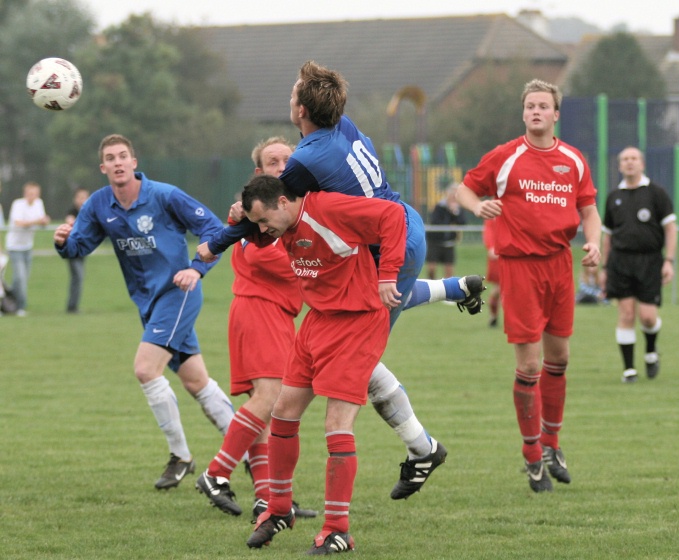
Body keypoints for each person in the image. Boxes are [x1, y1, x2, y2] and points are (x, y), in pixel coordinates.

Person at [198, 60, 485, 501]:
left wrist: (216, 242)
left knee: (357, 359)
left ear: (300, 110)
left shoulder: (306, 160)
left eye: (294, 95)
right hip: (401, 228)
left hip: (388, 242)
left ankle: (421, 449)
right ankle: (454, 289)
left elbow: (271, 209)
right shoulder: (342, 126)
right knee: (360, 340)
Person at [53, 134, 236, 490]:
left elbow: (215, 229)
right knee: (196, 381)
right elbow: (80, 246)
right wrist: (63, 242)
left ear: (134, 162)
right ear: (102, 167)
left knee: (144, 368)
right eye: (110, 158)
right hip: (149, 305)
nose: (118, 162)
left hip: (178, 293)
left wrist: (197, 267)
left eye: (123, 156)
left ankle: (181, 455)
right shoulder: (99, 204)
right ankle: (247, 454)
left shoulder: (164, 195)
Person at [241, 174, 407, 553]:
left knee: (336, 424)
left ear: (283, 202)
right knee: (283, 412)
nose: (264, 231)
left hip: (357, 321)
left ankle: (337, 529)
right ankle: (280, 508)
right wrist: (241, 221)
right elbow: (253, 235)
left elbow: (393, 216)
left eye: (264, 220)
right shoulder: (281, 224)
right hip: (318, 320)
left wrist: (389, 274)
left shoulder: (327, 208)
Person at [456, 78, 601, 493]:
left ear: (556, 114)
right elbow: (465, 188)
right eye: (530, 106)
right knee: (530, 366)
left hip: (559, 265)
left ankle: (553, 444)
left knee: (560, 359)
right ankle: (532, 453)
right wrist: (477, 204)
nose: (536, 111)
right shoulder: (506, 156)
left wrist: (593, 242)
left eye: (544, 106)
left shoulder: (573, 159)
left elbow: (588, 209)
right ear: (523, 113)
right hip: (519, 267)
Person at [195, 137, 317, 520]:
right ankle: (216, 473)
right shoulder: (253, 218)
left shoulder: (292, 209)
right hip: (259, 310)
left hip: (272, 313)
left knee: (265, 413)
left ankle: (269, 499)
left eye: (287, 159)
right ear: (258, 172)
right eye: (272, 161)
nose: (281, 165)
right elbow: (261, 256)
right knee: (271, 399)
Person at [600, 146, 676, 383]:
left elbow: (670, 228)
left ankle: (651, 352)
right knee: (626, 313)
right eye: (624, 159)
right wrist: (603, 267)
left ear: (642, 164)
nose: (629, 163)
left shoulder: (656, 193)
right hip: (620, 262)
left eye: (633, 158)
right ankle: (629, 370)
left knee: (647, 318)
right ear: (620, 165)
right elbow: (608, 235)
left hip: (650, 260)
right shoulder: (614, 197)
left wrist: (669, 260)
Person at [5, 181, 51, 317]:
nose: (33, 197)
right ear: (25, 194)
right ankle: (20, 307)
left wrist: (44, 221)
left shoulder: (39, 203)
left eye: (36, 194)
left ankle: (8, 301)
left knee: (20, 279)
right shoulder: (18, 204)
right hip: (14, 246)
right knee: (20, 277)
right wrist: (37, 221)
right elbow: (18, 223)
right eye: (31, 194)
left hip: (27, 246)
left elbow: (42, 222)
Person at [425, 183, 466, 279]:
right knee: (431, 269)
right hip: (435, 242)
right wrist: (449, 223)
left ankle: (446, 291)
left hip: (449, 243)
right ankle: (433, 285)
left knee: (449, 272)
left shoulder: (458, 209)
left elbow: (462, 222)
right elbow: (435, 221)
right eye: (453, 195)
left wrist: (455, 212)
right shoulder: (439, 207)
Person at [64, 188, 90, 313]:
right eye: (80, 197)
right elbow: (70, 222)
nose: (82, 200)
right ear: (75, 199)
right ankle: (72, 307)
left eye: (85, 197)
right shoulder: (72, 212)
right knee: (78, 277)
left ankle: (72, 306)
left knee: (76, 279)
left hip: (82, 251)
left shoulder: (89, 211)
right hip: (72, 251)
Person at [482, 217, 502, 327]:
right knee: (498, 289)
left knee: (509, 290)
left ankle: (514, 320)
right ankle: (493, 315)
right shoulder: (493, 211)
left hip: (513, 255)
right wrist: (491, 247)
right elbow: (488, 230)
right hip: (497, 256)